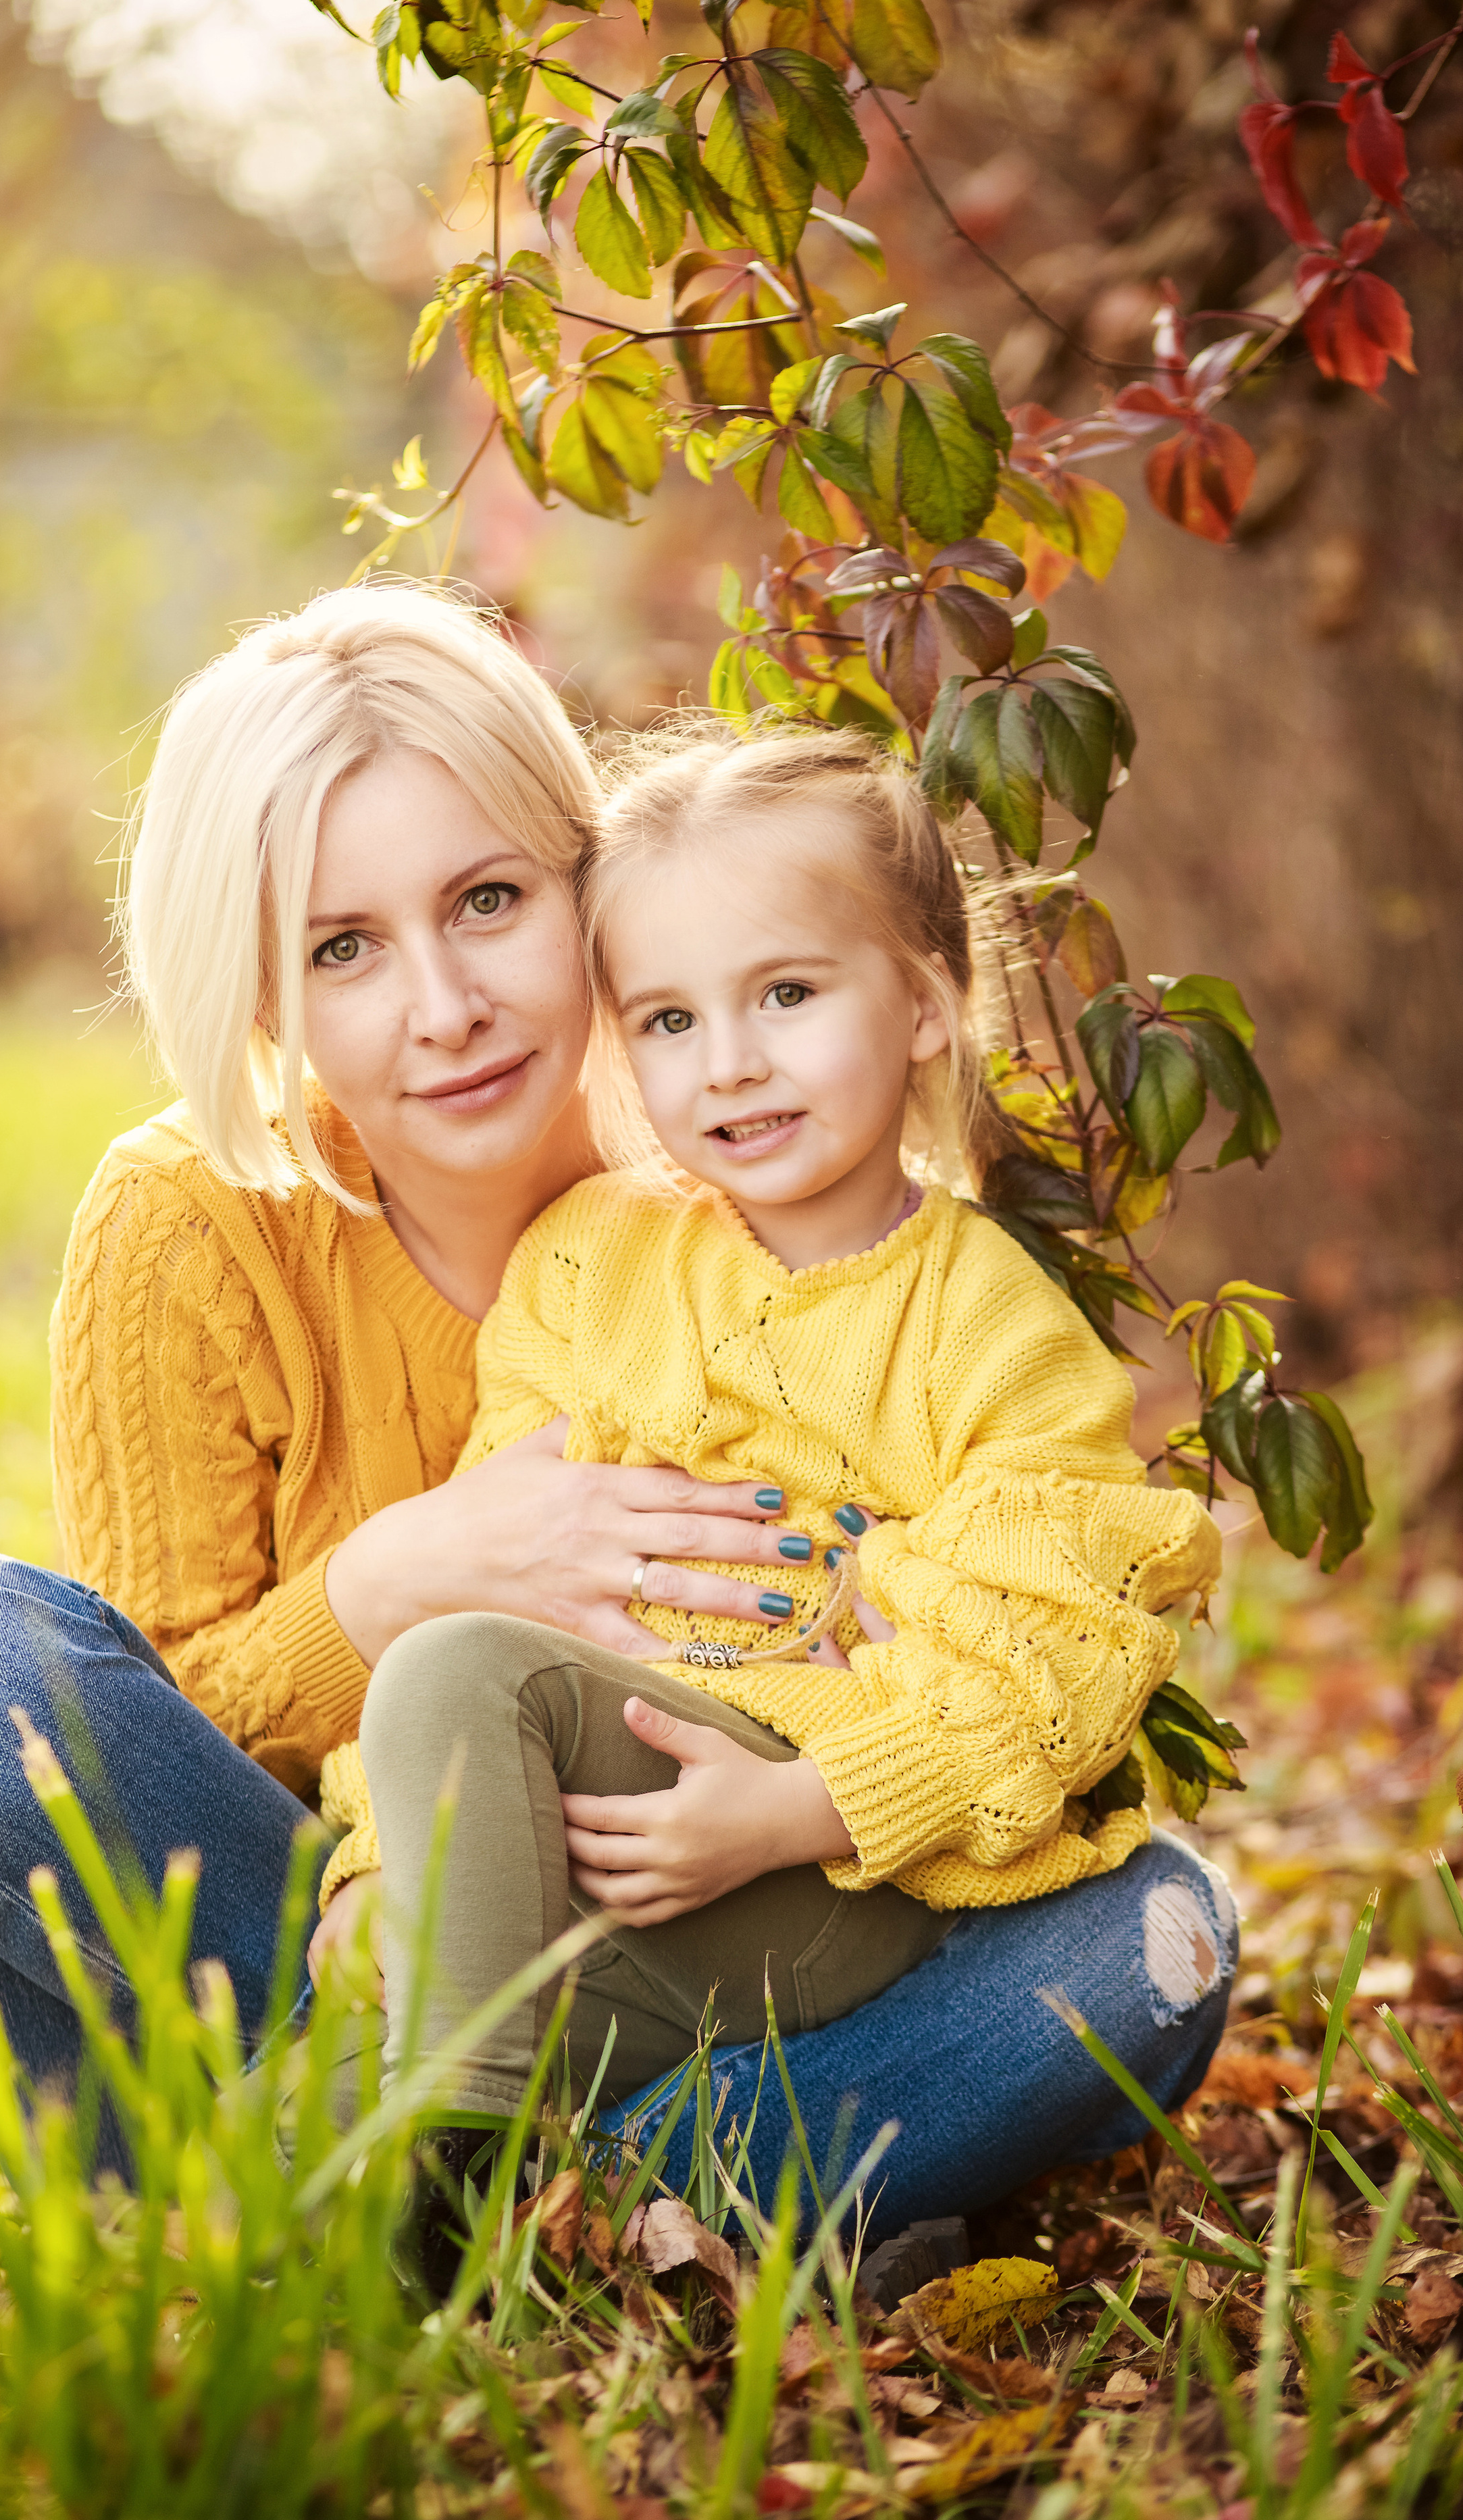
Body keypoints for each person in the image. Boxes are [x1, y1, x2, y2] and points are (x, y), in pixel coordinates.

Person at [0, 582, 1238, 2217]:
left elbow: (1001, 1596)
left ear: (586, 886)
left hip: (726, 1906)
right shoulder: (192, 1225)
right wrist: (392, 1587)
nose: (444, 1007)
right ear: (263, 993)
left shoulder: (730, 1154)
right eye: (342, 948)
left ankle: (452, 2192)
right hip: (324, 1941)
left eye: (487, 900)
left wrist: (824, 1725)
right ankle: (475, 2160)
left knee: (1146, 1938)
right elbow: (139, 1742)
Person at [318, 727, 1236, 2204]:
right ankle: (531, 2154)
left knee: (1145, 1939)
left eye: (787, 995)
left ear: (927, 1006)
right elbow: (472, 1599)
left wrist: (789, 1810)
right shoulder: (586, 1270)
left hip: (831, 1880)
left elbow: (1039, 1665)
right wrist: (374, 1864)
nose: (729, 1062)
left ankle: (462, 2171)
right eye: (668, 1022)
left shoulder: (991, 1330)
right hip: (592, 1846)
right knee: (429, 1731)